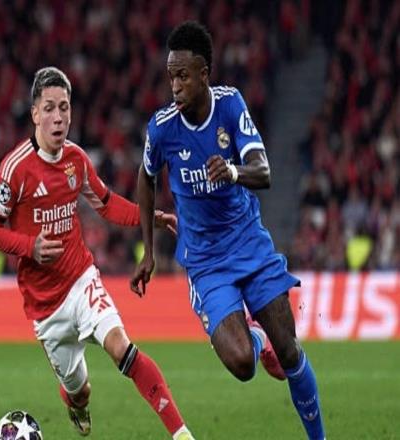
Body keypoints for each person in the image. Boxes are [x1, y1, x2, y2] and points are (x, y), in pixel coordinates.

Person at [131, 21, 326, 440]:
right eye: (170, 77)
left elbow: (264, 171)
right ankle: (255, 339)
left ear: (204, 74)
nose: (175, 86)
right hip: (206, 261)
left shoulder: (231, 105)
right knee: (241, 364)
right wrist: (148, 250)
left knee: (290, 353)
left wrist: (233, 170)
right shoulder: (162, 128)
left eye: (183, 76)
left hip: (249, 243)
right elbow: (145, 178)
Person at [0, 66, 195, 440]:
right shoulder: (15, 169)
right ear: (34, 114)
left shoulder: (76, 160)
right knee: (80, 391)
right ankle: (76, 402)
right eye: (49, 108)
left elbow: (107, 203)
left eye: (64, 107)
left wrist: (149, 216)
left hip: (81, 280)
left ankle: (181, 434)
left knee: (121, 348)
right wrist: (30, 247)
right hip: (45, 308)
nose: (58, 117)